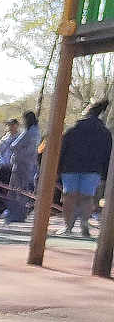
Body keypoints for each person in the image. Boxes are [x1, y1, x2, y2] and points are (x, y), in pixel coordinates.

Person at [56, 98, 112, 237]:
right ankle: (84, 223)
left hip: (71, 167)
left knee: (69, 197)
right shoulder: (104, 132)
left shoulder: (74, 130)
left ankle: (68, 226)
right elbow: (107, 154)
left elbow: (62, 149)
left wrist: (58, 168)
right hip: (93, 169)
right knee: (87, 197)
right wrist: (105, 174)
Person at [4, 110, 40, 224]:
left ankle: (15, 214)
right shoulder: (37, 131)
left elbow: (14, 145)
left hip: (21, 164)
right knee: (24, 189)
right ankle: (21, 214)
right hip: (30, 164)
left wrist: (13, 146)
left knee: (15, 189)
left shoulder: (28, 132)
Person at [0, 116, 20, 216]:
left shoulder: (20, 138)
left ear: (17, 126)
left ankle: (10, 209)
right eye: (9, 125)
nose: (10, 127)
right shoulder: (4, 139)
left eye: (12, 125)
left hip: (14, 167)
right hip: (3, 166)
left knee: (12, 188)